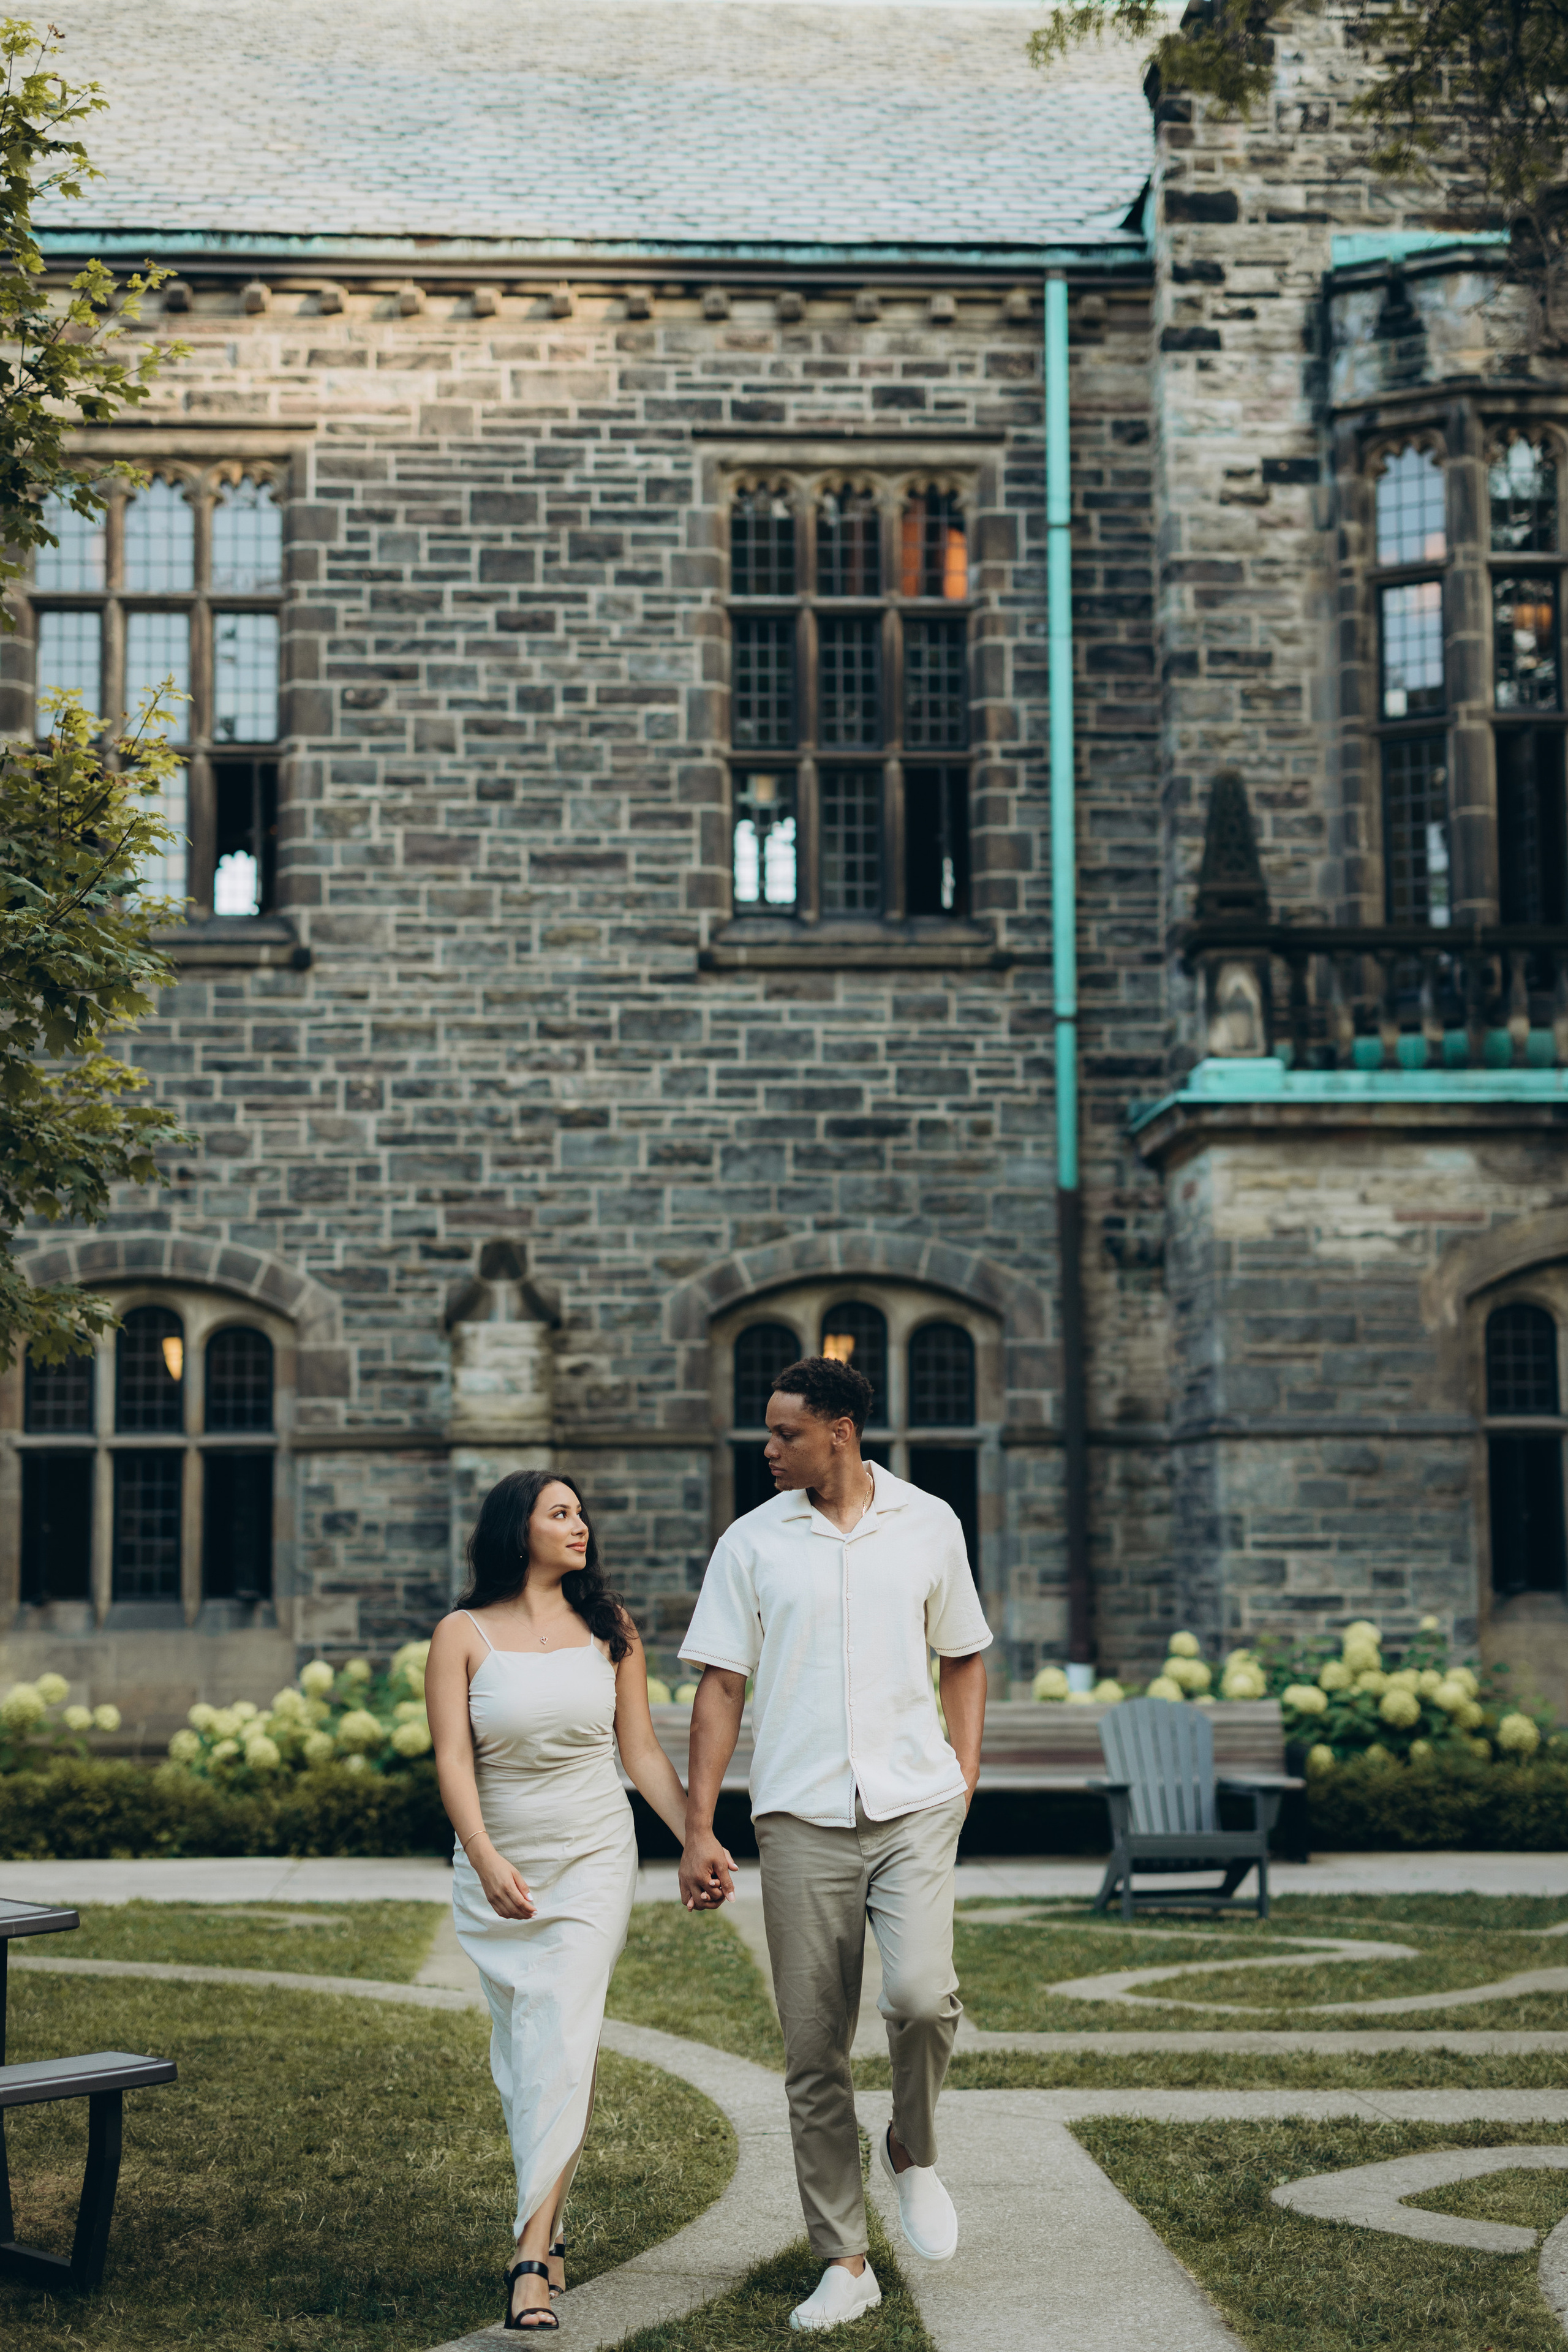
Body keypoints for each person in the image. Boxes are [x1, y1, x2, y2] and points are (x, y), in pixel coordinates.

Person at [677, 1355, 991, 2334]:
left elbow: (965, 1652)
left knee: (921, 1998)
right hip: (801, 1815)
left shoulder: (928, 1522)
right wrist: (698, 1826)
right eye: (767, 1433)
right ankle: (846, 2260)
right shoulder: (752, 1542)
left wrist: (964, 1776)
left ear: (841, 1432)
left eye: (785, 1435)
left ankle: (910, 2144)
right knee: (814, 2051)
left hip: (913, 1806)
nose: (767, 1450)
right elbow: (721, 1686)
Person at [427, 1469, 729, 2332]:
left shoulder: (611, 1629)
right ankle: (550, 2228)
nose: (581, 1524)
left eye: (582, 1512)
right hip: (500, 1865)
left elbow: (638, 1752)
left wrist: (696, 1835)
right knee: (528, 2050)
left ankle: (529, 2255)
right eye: (561, 1513)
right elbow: (453, 1759)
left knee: (565, 2030)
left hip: (596, 1855)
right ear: (517, 1530)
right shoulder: (462, 1633)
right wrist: (484, 1857)